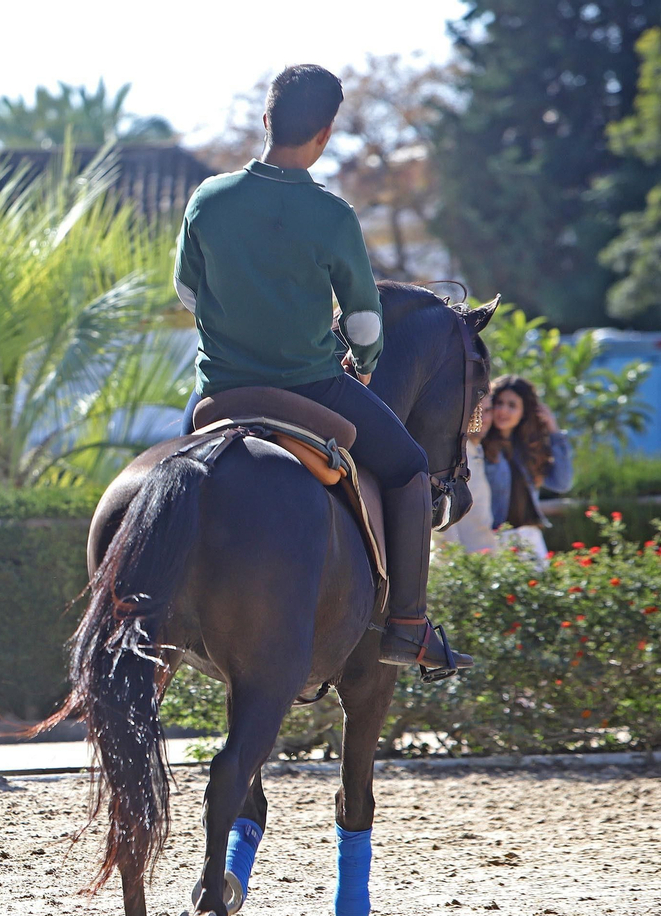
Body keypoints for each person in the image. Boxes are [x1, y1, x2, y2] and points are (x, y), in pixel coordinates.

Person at [172, 64, 471, 673]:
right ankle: (408, 627)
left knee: (174, 479)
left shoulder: (208, 197)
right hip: (312, 387)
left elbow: (186, 290)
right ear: (326, 134)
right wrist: (364, 364)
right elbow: (363, 322)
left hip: (218, 392)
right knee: (410, 468)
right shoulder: (331, 214)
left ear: (266, 119)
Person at [482, 375, 574, 561]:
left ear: (524, 411)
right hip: (493, 540)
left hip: (529, 538)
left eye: (512, 405)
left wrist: (553, 430)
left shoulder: (529, 449)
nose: (503, 410)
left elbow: (562, 483)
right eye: (499, 403)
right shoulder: (480, 447)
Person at [440, 405, 498, 555]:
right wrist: (452, 560)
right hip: (462, 561)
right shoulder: (452, 458)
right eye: (476, 411)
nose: (481, 418)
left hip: (483, 557)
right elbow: (445, 519)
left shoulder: (477, 451)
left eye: (487, 411)